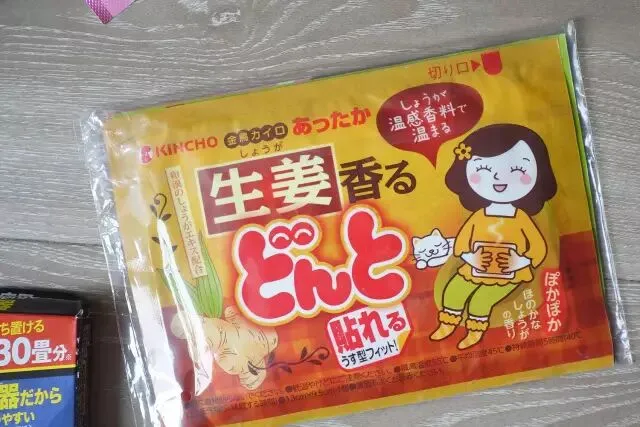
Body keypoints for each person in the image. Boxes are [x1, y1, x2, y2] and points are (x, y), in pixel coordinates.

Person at [430, 124, 557, 350]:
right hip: (475, 267)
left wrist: (520, 261)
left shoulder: (521, 218)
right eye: (484, 169)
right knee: (453, 290)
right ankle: (448, 324)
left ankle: (475, 332)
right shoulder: (478, 216)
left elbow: (537, 249)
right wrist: (470, 257)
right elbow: (462, 244)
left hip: (510, 273)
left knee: (481, 300)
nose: (499, 177)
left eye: (516, 169)